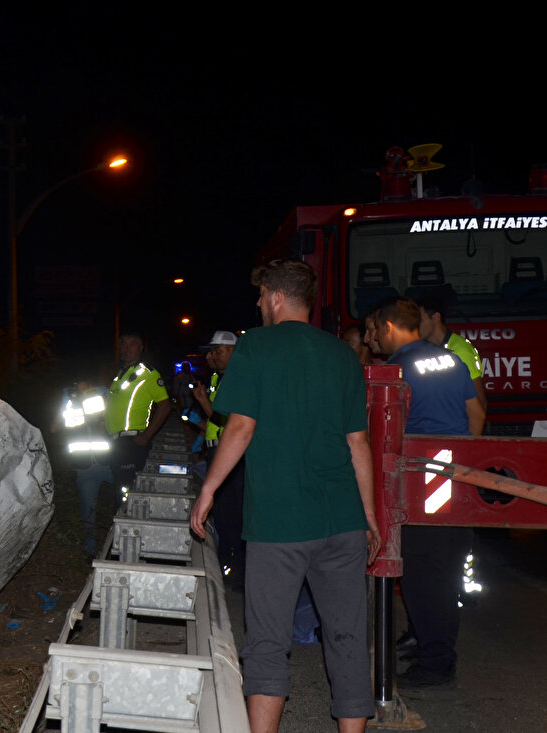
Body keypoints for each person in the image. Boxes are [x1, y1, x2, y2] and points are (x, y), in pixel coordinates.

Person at [189, 259, 380, 733]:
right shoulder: (342, 355)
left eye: (260, 296)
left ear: (275, 296)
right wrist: (371, 517)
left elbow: (240, 426)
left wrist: (208, 489)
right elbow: (359, 443)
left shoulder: (256, 347)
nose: (257, 305)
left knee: (268, 641)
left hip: (278, 524)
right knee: (347, 637)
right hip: (342, 521)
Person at [371, 296, 484, 689]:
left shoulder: (395, 370)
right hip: (456, 476)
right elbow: (476, 415)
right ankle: (435, 651)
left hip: (421, 483)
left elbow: (384, 434)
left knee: (422, 576)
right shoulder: (450, 359)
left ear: (388, 327)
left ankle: (435, 663)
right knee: (447, 572)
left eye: (376, 332)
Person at [191, 330, 245, 578]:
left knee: (231, 513)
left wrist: (203, 403)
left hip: (230, 456)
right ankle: (227, 563)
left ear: (235, 351)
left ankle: (234, 568)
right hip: (215, 450)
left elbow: (228, 418)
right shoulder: (218, 378)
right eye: (212, 352)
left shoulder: (239, 379)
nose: (213, 356)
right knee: (223, 513)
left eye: (218, 351)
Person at [51, 379, 115, 557]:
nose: (81, 389)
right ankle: (90, 551)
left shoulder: (101, 398)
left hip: (108, 463)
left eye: (85, 385)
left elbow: (112, 424)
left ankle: (120, 543)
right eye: (77, 386)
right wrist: (65, 405)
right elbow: (54, 428)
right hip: (84, 468)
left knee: (123, 502)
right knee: (88, 513)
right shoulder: (68, 404)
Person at [106, 332, 173, 500]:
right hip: (116, 442)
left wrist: (147, 436)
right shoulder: (120, 375)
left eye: (132, 344)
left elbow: (165, 406)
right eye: (124, 344)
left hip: (132, 442)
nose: (127, 348)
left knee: (128, 493)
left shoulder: (148, 373)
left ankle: (129, 524)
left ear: (141, 348)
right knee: (120, 492)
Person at [416, 294, 487, 434]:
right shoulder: (423, 350)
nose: (416, 326)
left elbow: (480, 404)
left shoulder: (460, 350)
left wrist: (470, 444)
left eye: (421, 320)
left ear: (436, 318)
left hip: (457, 435)